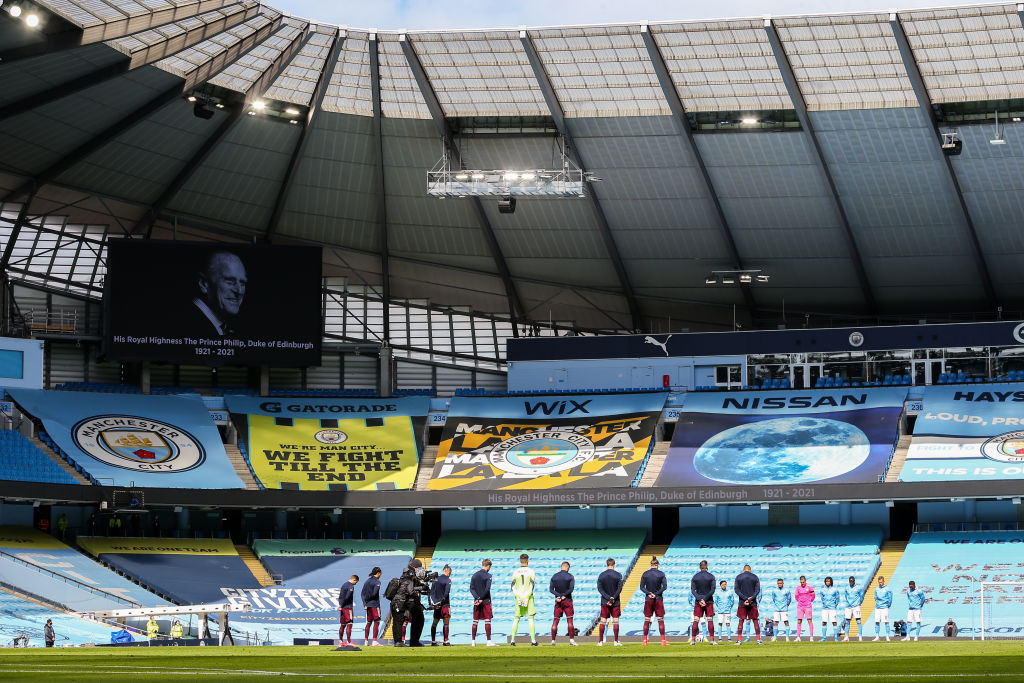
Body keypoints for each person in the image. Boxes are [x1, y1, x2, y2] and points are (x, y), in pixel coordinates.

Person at [189, 251, 247, 337]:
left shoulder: (224, 326)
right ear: (204, 283)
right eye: (230, 282)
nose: (239, 291)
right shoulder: (186, 325)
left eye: (242, 283)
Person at [509, 554, 538, 646]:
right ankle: (533, 641)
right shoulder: (531, 571)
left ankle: (512, 641)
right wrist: (526, 596)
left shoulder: (515, 571)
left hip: (518, 597)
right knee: (530, 618)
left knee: (516, 618)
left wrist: (518, 596)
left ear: (520, 560)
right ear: (528, 560)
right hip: (528, 598)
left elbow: (512, 586)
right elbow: (532, 586)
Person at [640, 557, 669, 647]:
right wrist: (656, 594)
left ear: (651, 564)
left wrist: (649, 593)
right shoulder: (661, 574)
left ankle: (645, 640)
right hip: (658, 598)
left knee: (647, 619)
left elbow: (641, 587)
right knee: (660, 619)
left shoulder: (645, 574)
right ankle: (663, 640)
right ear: (658, 565)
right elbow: (664, 587)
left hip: (648, 598)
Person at [549, 561, 577, 646]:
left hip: (558, 601)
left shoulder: (554, 576)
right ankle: (571, 640)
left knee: (555, 621)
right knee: (570, 621)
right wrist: (564, 595)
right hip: (567, 600)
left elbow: (551, 589)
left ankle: (553, 641)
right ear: (567, 567)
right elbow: (571, 588)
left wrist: (558, 596)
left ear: (561, 567)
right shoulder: (570, 576)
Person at [596, 557, 623, 646]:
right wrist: (613, 598)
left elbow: (600, 589)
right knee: (615, 621)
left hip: (604, 601)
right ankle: (615, 641)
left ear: (607, 565)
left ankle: (600, 642)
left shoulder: (601, 575)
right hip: (615, 601)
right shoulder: (618, 575)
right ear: (614, 565)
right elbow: (620, 588)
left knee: (603, 621)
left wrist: (608, 598)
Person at [690, 559, 716, 645]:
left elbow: (693, 590)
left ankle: (693, 640)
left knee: (696, 620)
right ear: (707, 566)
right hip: (708, 601)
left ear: (700, 567)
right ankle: (712, 640)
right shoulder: (711, 576)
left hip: (698, 601)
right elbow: (713, 590)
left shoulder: (695, 577)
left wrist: (700, 599)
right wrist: (704, 599)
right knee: (710, 620)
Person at [734, 564, 761, 645]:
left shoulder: (738, 577)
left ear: (743, 570)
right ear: (750, 570)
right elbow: (757, 590)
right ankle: (758, 640)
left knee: (741, 621)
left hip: (742, 602)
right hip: (753, 602)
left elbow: (736, 590)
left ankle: (739, 641)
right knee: (755, 621)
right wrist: (750, 599)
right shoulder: (755, 577)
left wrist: (745, 599)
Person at [470, 558, 495, 646]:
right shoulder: (489, 576)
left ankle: (473, 641)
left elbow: (471, 589)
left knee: (475, 621)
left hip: (476, 601)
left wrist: (477, 598)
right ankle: (488, 641)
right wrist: (481, 599)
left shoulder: (474, 575)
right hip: (486, 601)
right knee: (487, 620)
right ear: (488, 566)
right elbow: (487, 589)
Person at [429, 565, 452, 646]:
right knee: (446, 622)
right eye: (450, 572)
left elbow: (432, 593)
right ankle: (445, 640)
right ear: (448, 571)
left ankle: (433, 641)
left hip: (436, 605)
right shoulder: (448, 580)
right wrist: (441, 601)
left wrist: (435, 602)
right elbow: (446, 593)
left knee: (435, 622)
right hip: (445, 604)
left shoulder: (435, 580)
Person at [361, 567, 383, 647]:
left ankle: (366, 641)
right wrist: (369, 600)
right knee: (377, 622)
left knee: (368, 623)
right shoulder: (377, 582)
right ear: (378, 573)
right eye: (380, 573)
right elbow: (374, 594)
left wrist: (365, 603)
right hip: (374, 604)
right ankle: (374, 641)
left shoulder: (367, 581)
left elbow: (362, 594)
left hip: (368, 605)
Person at [842, 575, 865, 642]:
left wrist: (858, 603)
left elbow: (862, 596)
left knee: (858, 621)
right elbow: (846, 596)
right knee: (847, 622)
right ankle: (846, 637)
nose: (851, 582)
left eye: (852, 581)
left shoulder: (858, 587)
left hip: (856, 606)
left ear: (854, 581)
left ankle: (860, 637)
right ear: (849, 581)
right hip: (848, 607)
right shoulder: (846, 588)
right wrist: (848, 603)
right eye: (850, 581)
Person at [769, 578, 792, 642]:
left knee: (786, 622)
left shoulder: (787, 590)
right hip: (777, 609)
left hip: (784, 609)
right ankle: (775, 637)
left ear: (783, 583)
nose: (779, 584)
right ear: (777, 583)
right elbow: (773, 598)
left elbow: (789, 599)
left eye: (781, 583)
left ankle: (787, 638)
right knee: (776, 623)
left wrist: (785, 605)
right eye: (778, 583)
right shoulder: (774, 590)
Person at [338, 574, 358, 646]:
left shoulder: (343, 585)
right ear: (354, 580)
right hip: (348, 607)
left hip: (342, 608)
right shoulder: (350, 586)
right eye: (356, 582)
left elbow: (340, 596)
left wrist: (340, 605)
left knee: (342, 625)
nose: (355, 584)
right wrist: (342, 605)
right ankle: (349, 642)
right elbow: (347, 597)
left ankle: (341, 641)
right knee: (349, 623)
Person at [820, 576, 840, 642]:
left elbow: (837, 598)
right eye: (826, 581)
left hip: (832, 608)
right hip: (825, 608)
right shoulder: (822, 590)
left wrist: (834, 605)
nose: (827, 582)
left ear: (831, 582)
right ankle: (824, 638)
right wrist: (825, 604)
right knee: (824, 622)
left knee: (834, 622)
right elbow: (822, 598)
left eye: (828, 581)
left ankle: (836, 638)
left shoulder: (835, 589)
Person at [794, 575, 815, 641]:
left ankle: (811, 637)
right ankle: (798, 637)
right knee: (799, 621)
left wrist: (809, 601)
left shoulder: (810, 587)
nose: (802, 583)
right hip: (800, 606)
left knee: (809, 620)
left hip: (808, 606)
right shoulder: (798, 588)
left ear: (805, 581)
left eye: (803, 582)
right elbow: (796, 596)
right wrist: (800, 601)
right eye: (801, 582)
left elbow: (813, 595)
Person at [872, 576, 893, 641]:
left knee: (886, 622)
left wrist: (888, 605)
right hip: (878, 607)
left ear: (883, 581)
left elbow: (890, 598)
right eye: (879, 582)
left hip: (884, 608)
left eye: (881, 582)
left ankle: (887, 636)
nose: (880, 583)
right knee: (877, 622)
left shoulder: (887, 589)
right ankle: (877, 636)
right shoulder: (876, 589)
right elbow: (875, 597)